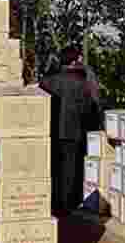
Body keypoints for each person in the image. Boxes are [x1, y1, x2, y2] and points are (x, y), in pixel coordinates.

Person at [40, 46, 100, 216]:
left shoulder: (47, 81)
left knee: (52, 167)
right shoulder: (82, 82)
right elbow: (89, 108)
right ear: (75, 61)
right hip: (73, 132)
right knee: (70, 170)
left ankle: (52, 202)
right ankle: (67, 206)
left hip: (51, 131)